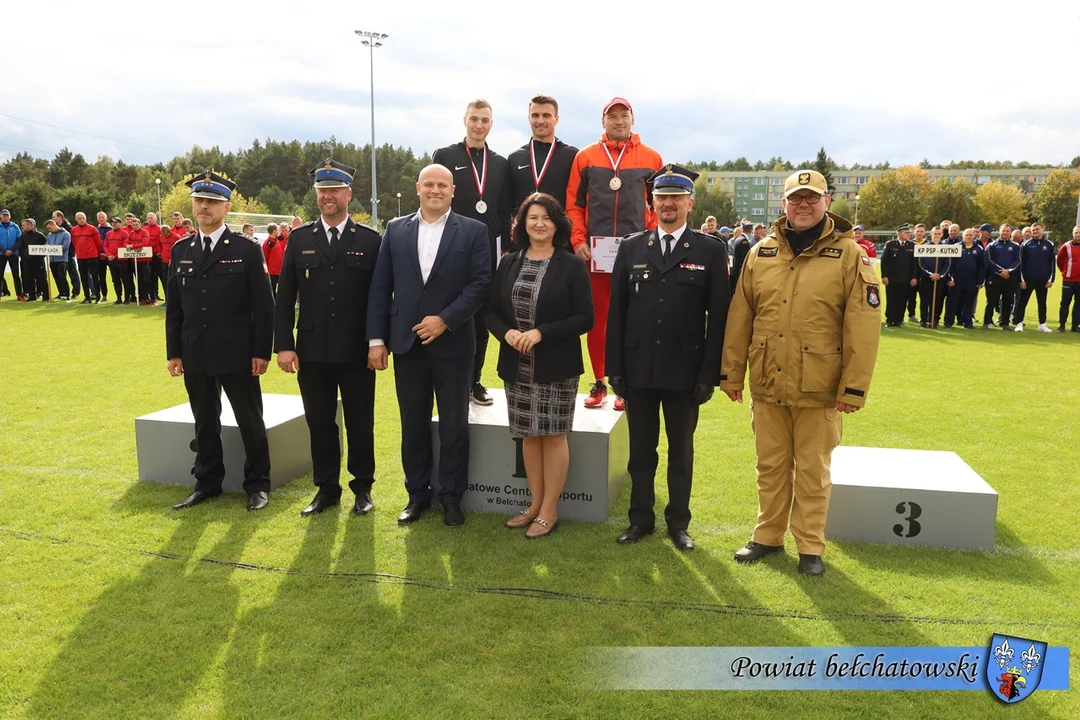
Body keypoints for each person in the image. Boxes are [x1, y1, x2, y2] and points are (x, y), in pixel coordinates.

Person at [721, 170, 881, 577]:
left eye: (812, 198)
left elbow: (863, 325)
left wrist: (854, 387)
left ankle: (810, 546)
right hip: (768, 381)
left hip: (821, 385)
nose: (804, 205)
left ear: (828, 202)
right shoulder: (760, 253)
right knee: (770, 465)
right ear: (784, 204)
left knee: (813, 469)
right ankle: (767, 536)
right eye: (797, 198)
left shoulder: (851, 255)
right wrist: (731, 374)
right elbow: (741, 315)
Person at [606, 165, 730, 551]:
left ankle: (678, 523)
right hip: (639, 369)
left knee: (682, 453)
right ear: (652, 203)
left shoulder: (710, 250)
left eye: (676, 197)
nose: (669, 204)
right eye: (662, 198)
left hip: (685, 373)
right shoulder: (631, 247)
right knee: (641, 453)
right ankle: (640, 520)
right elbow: (617, 314)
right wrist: (615, 368)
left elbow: (719, 318)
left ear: (690, 203)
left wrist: (710, 374)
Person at [366, 164, 492, 527]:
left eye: (443, 185)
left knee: (454, 425)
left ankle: (452, 498)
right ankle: (416, 495)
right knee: (413, 424)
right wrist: (377, 340)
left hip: (453, 346)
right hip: (407, 346)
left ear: (453, 191)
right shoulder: (395, 229)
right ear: (418, 188)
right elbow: (380, 287)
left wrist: (445, 320)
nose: (436, 190)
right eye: (429, 184)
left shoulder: (473, 231)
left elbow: (481, 285)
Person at [274, 159, 382, 518]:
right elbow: (285, 296)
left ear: (349, 194)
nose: (328, 197)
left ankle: (362, 488)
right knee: (319, 422)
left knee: (359, 422)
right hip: (312, 351)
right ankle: (326, 489)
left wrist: (375, 342)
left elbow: (379, 299)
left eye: (335, 190)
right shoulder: (300, 239)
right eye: (323, 191)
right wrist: (284, 345)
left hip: (356, 352)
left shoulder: (369, 240)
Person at [484, 192, 593, 538]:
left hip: (556, 365)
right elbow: (490, 312)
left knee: (553, 436)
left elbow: (585, 318)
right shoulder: (509, 262)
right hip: (517, 365)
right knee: (529, 437)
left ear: (557, 223)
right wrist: (509, 334)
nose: (539, 223)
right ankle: (533, 504)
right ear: (522, 224)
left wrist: (542, 333)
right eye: (532, 217)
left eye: (546, 217)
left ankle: (549, 510)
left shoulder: (572, 264)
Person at [166, 171, 275, 512]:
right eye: (199, 201)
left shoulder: (245, 249)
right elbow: (175, 309)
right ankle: (207, 482)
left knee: (250, 420)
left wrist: (261, 352)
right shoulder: (181, 249)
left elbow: (264, 306)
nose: (204, 207)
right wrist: (174, 352)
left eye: (212, 202)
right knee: (204, 419)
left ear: (226, 208)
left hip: (238, 353)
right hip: (195, 350)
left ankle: (257, 484)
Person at [566, 96, 663, 411]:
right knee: (598, 321)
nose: (618, 121)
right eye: (612, 116)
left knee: (633, 321)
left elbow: (657, 205)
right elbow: (574, 204)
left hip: (636, 254)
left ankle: (626, 383)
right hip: (595, 255)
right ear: (603, 121)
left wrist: (651, 238)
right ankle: (599, 382)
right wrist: (578, 238)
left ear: (633, 120)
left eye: (624, 116)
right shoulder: (586, 157)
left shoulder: (651, 157)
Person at [432, 99, 511, 407]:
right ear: (464, 120)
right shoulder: (446, 155)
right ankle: (450, 378)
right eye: (474, 119)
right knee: (451, 309)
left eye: (485, 120)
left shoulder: (501, 163)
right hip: (452, 244)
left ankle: (473, 380)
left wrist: (506, 248)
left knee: (481, 316)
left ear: (491, 124)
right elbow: (436, 197)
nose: (479, 125)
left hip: (487, 248)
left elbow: (504, 209)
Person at [507, 94, 579, 223]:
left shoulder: (572, 155)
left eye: (546, 115)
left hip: (560, 236)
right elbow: (508, 203)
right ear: (529, 119)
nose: (540, 121)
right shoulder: (515, 158)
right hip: (525, 236)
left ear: (556, 119)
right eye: (535, 115)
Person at [1012, 223, 1055, 332]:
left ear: (1042, 229)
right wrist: (1021, 279)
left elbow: (1052, 263)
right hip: (1027, 279)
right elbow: (1021, 264)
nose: (1035, 231)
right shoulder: (1025, 245)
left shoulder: (1049, 244)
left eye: (1037, 229)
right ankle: (1019, 323)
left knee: (1042, 302)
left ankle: (1042, 324)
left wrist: (1051, 279)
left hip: (1043, 279)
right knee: (1022, 302)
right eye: (1033, 230)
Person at [944, 228, 985, 329]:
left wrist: (980, 281)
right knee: (953, 302)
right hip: (956, 280)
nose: (968, 237)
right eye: (966, 235)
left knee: (969, 303)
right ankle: (948, 322)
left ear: (974, 236)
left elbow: (982, 267)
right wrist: (950, 278)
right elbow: (949, 265)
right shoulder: (956, 247)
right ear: (962, 236)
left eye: (970, 235)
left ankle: (967, 322)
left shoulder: (979, 249)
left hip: (972, 280)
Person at [983, 223, 1020, 329]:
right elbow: (988, 261)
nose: (1005, 233)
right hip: (994, 278)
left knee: (1008, 301)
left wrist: (1008, 271)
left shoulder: (1015, 246)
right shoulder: (992, 245)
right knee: (991, 301)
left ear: (1010, 232)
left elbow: (1018, 260)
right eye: (1003, 230)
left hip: (1009, 278)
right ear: (999, 231)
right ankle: (987, 322)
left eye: (1007, 231)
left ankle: (1005, 323)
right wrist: (1000, 271)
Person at [880, 223, 917, 327]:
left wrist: (914, 277)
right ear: (900, 233)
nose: (908, 235)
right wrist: (884, 276)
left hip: (905, 278)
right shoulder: (890, 244)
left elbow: (915, 263)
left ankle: (899, 320)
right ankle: (890, 319)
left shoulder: (912, 246)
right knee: (891, 299)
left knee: (902, 300)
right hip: (892, 278)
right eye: (906, 233)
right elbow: (884, 261)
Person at [917, 225, 951, 328]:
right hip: (926, 278)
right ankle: (924, 320)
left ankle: (933, 320)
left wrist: (940, 275)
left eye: (939, 234)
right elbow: (920, 263)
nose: (936, 235)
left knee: (936, 300)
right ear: (931, 234)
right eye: (935, 233)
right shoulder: (923, 246)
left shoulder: (946, 248)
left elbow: (947, 264)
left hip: (939, 279)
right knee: (924, 300)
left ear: (942, 234)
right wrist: (929, 274)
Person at [71, 212, 102, 303]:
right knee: (83, 278)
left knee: (95, 277)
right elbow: (74, 242)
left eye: (83, 218)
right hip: (81, 257)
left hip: (92, 256)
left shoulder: (92, 229)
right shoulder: (73, 230)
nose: (81, 220)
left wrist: (94, 252)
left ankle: (97, 297)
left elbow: (98, 243)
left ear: (86, 218)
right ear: (76, 219)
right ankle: (87, 297)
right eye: (79, 218)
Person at [104, 217, 135, 304]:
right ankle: (118, 298)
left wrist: (115, 256)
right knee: (115, 280)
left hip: (122, 260)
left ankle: (127, 298)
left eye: (116, 222)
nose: (114, 224)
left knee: (125, 279)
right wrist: (109, 255)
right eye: (113, 223)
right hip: (112, 261)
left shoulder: (125, 234)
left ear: (120, 223)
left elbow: (124, 247)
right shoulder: (109, 233)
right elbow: (105, 246)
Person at [1056, 226, 1080, 332]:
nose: (1078, 234)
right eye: (1076, 232)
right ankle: (1062, 325)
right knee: (1065, 303)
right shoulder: (1066, 246)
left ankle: (1075, 326)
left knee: (1078, 304)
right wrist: (1065, 273)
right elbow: (1060, 261)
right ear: (1073, 233)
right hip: (1069, 280)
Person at [52, 211, 80, 298]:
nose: (52, 218)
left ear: (60, 217)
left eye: (54, 217)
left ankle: (75, 292)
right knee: (60, 275)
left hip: (68, 254)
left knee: (72, 273)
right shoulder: (55, 228)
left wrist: (72, 252)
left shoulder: (68, 228)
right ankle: (62, 292)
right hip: (58, 255)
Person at [19, 219, 48, 300]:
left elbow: (45, 248)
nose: (22, 227)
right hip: (27, 261)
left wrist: (40, 258)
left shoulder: (40, 235)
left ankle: (46, 296)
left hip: (38, 261)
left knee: (41, 279)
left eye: (24, 225)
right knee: (29, 278)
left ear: (31, 225)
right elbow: (21, 248)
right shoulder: (23, 236)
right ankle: (32, 296)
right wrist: (23, 256)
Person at [44, 219, 72, 300]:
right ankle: (61, 293)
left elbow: (65, 247)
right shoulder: (49, 235)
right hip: (52, 260)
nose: (49, 230)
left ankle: (66, 294)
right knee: (56, 277)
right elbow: (47, 244)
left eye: (50, 228)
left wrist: (52, 248)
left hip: (62, 259)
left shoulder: (66, 234)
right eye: (48, 229)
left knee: (62, 276)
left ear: (54, 225)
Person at [0, 209, 22, 302]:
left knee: (16, 275)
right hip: (1, 253)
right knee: (0, 275)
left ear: (10, 216)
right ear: (1, 216)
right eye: (4, 215)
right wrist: (4, 250)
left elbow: (19, 240)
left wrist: (12, 250)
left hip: (14, 254)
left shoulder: (15, 226)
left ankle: (20, 294)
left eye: (7, 216)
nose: (5, 217)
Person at [158, 224, 180, 306]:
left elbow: (179, 249)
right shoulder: (161, 237)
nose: (164, 236)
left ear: (169, 231)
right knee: (164, 281)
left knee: (173, 281)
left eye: (165, 234)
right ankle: (167, 300)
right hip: (164, 261)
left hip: (173, 262)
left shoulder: (176, 237)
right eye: (162, 234)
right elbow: (160, 246)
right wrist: (160, 253)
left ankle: (174, 300)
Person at [145, 212, 164, 302]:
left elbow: (162, 242)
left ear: (155, 219)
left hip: (157, 255)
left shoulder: (160, 229)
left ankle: (166, 296)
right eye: (148, 218)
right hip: (148, 256)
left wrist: (160, 252)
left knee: (161, 276)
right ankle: (154, 295)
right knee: (151, 277)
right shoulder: (145, 230)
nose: (149, 220)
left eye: (151, 218)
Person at [262, 222, 285, 293]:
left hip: (279, 271)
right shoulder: (267, 243)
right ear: (274, 231)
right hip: (272, 272)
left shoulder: (278, 240)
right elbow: (264, 259)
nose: (279, 232)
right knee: (272, 290)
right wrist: (266, 272)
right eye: (277, 230)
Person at [730, 220, 752, 293]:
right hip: (740, 273)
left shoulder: (739, 239)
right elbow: (745, 259)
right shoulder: (744, 241)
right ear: (750, 230)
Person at [95, 212, 111, 302]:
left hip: (110, 256)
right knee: (101, 277)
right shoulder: (96, 230)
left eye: (103, 217)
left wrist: (107, 254)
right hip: (100, 256)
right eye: (99, 217)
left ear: (106, 218)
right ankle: (104, 295)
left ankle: (120, 296)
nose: (101, 219)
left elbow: (111, 244)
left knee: (116, 277)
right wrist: (99, 253)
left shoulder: (111, 229)